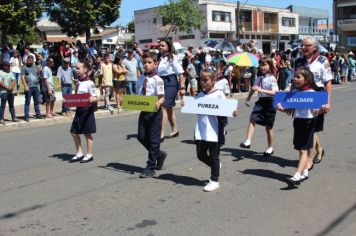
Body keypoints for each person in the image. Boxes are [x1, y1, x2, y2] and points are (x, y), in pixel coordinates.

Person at [181, 69, 239, 191]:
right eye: (201, 80)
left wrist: (233, 111)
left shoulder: (219, 94)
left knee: (214, 156)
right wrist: (186, 104)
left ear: (213, 81)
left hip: (214, 131)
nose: (202, 82)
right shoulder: (200, 95)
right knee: (200, 155)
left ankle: (214, 180)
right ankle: (216, 166)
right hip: (201, 130)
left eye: (206, 80)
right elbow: (195, 107)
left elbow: (228, 109)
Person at [277, 69, 323, 185]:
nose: (295, 79)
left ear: (307, 80)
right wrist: (281, 108)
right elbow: (289, 109)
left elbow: (316, 111)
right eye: (295, 77)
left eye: (298, 77)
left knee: (303, 149)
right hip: (298, 122)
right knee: (300, 148)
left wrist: (322, 108)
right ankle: (305, 172)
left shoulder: (312, 93)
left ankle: (297, 175)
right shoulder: (295, 92)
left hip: (308, 122)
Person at [294, 36, 332, 164]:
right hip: (302, 96)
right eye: (303, 45)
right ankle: (318, 149)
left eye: (307, 45)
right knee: (307, 126)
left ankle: (308, 159)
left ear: (314, 47)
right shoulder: (298, 61)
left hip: (317, 96)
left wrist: (328, 101)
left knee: (312, 127)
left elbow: (327, 83)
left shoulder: (323, 61)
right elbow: (295, 82)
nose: (304, 48)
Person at [136, 52, 166, 178]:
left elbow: (162, 97)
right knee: (141, 137)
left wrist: (158, 103)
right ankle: (159, 154)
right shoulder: (141, 79)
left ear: (155, 64)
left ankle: (150, 167)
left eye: (149, 62)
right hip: (144, 111)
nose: (146, 65)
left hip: (155, 112)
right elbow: (138, 96)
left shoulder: (158, 80)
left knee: (154, 140)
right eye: (144, 62)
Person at [240, 58, 279, 156]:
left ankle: (270, 147)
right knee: (252, 118)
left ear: (270, 66)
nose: (262, 67)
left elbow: (275, 93)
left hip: (270, 102)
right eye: (261, 65)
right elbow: (253, 88)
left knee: (268, 127)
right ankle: (248, 141)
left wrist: (260, 90)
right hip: (261, 102)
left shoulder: (272, 78)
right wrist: (248, 98)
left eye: (265, 65)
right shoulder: (259, 78)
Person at [69, 61, 98, 163]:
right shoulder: (78, 82)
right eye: (75, 68)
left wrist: (87, 100)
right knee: (74, 132)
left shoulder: (90, 83)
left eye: (78, 68)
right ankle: (79, 153)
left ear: (85, 70)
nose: (76, 70)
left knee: (87, 133)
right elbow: (77, 97)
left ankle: (89, 154)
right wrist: (69, 101)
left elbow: (95, 98)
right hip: (79, 110)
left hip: (87, 110)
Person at [157, 39, 185, 141]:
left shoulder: (172, 57)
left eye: (163, 45)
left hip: (171, 82)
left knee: (163, 106)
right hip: (161, 83)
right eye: (159, 46)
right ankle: (175, 129)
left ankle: (161, 134)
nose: (160, 47)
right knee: (168, 108)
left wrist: (182, 88)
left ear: (168, 47)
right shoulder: (159, 58)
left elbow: (180, 73)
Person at [21, 55, 43, 122]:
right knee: (27, 102)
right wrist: (25, 86)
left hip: (35, 87)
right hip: (29, 87)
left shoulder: (35, 67)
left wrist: (38, 79)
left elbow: (38, 74)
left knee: (36, 101)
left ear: (33, 61)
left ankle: (38, 114)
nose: (29, 61)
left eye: (31, 60)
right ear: (27, 60)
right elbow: (22, 77)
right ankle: (26, 116)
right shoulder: (24, 68)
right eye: (28, 60)